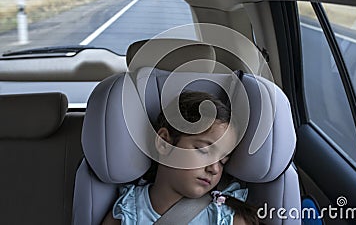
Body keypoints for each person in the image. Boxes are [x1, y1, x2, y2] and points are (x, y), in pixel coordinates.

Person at [102, 91, 260, 225]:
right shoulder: (128, 212)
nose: (214, 169)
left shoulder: (227, 217)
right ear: (164, 143)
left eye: (223, 161)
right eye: (203, 151)